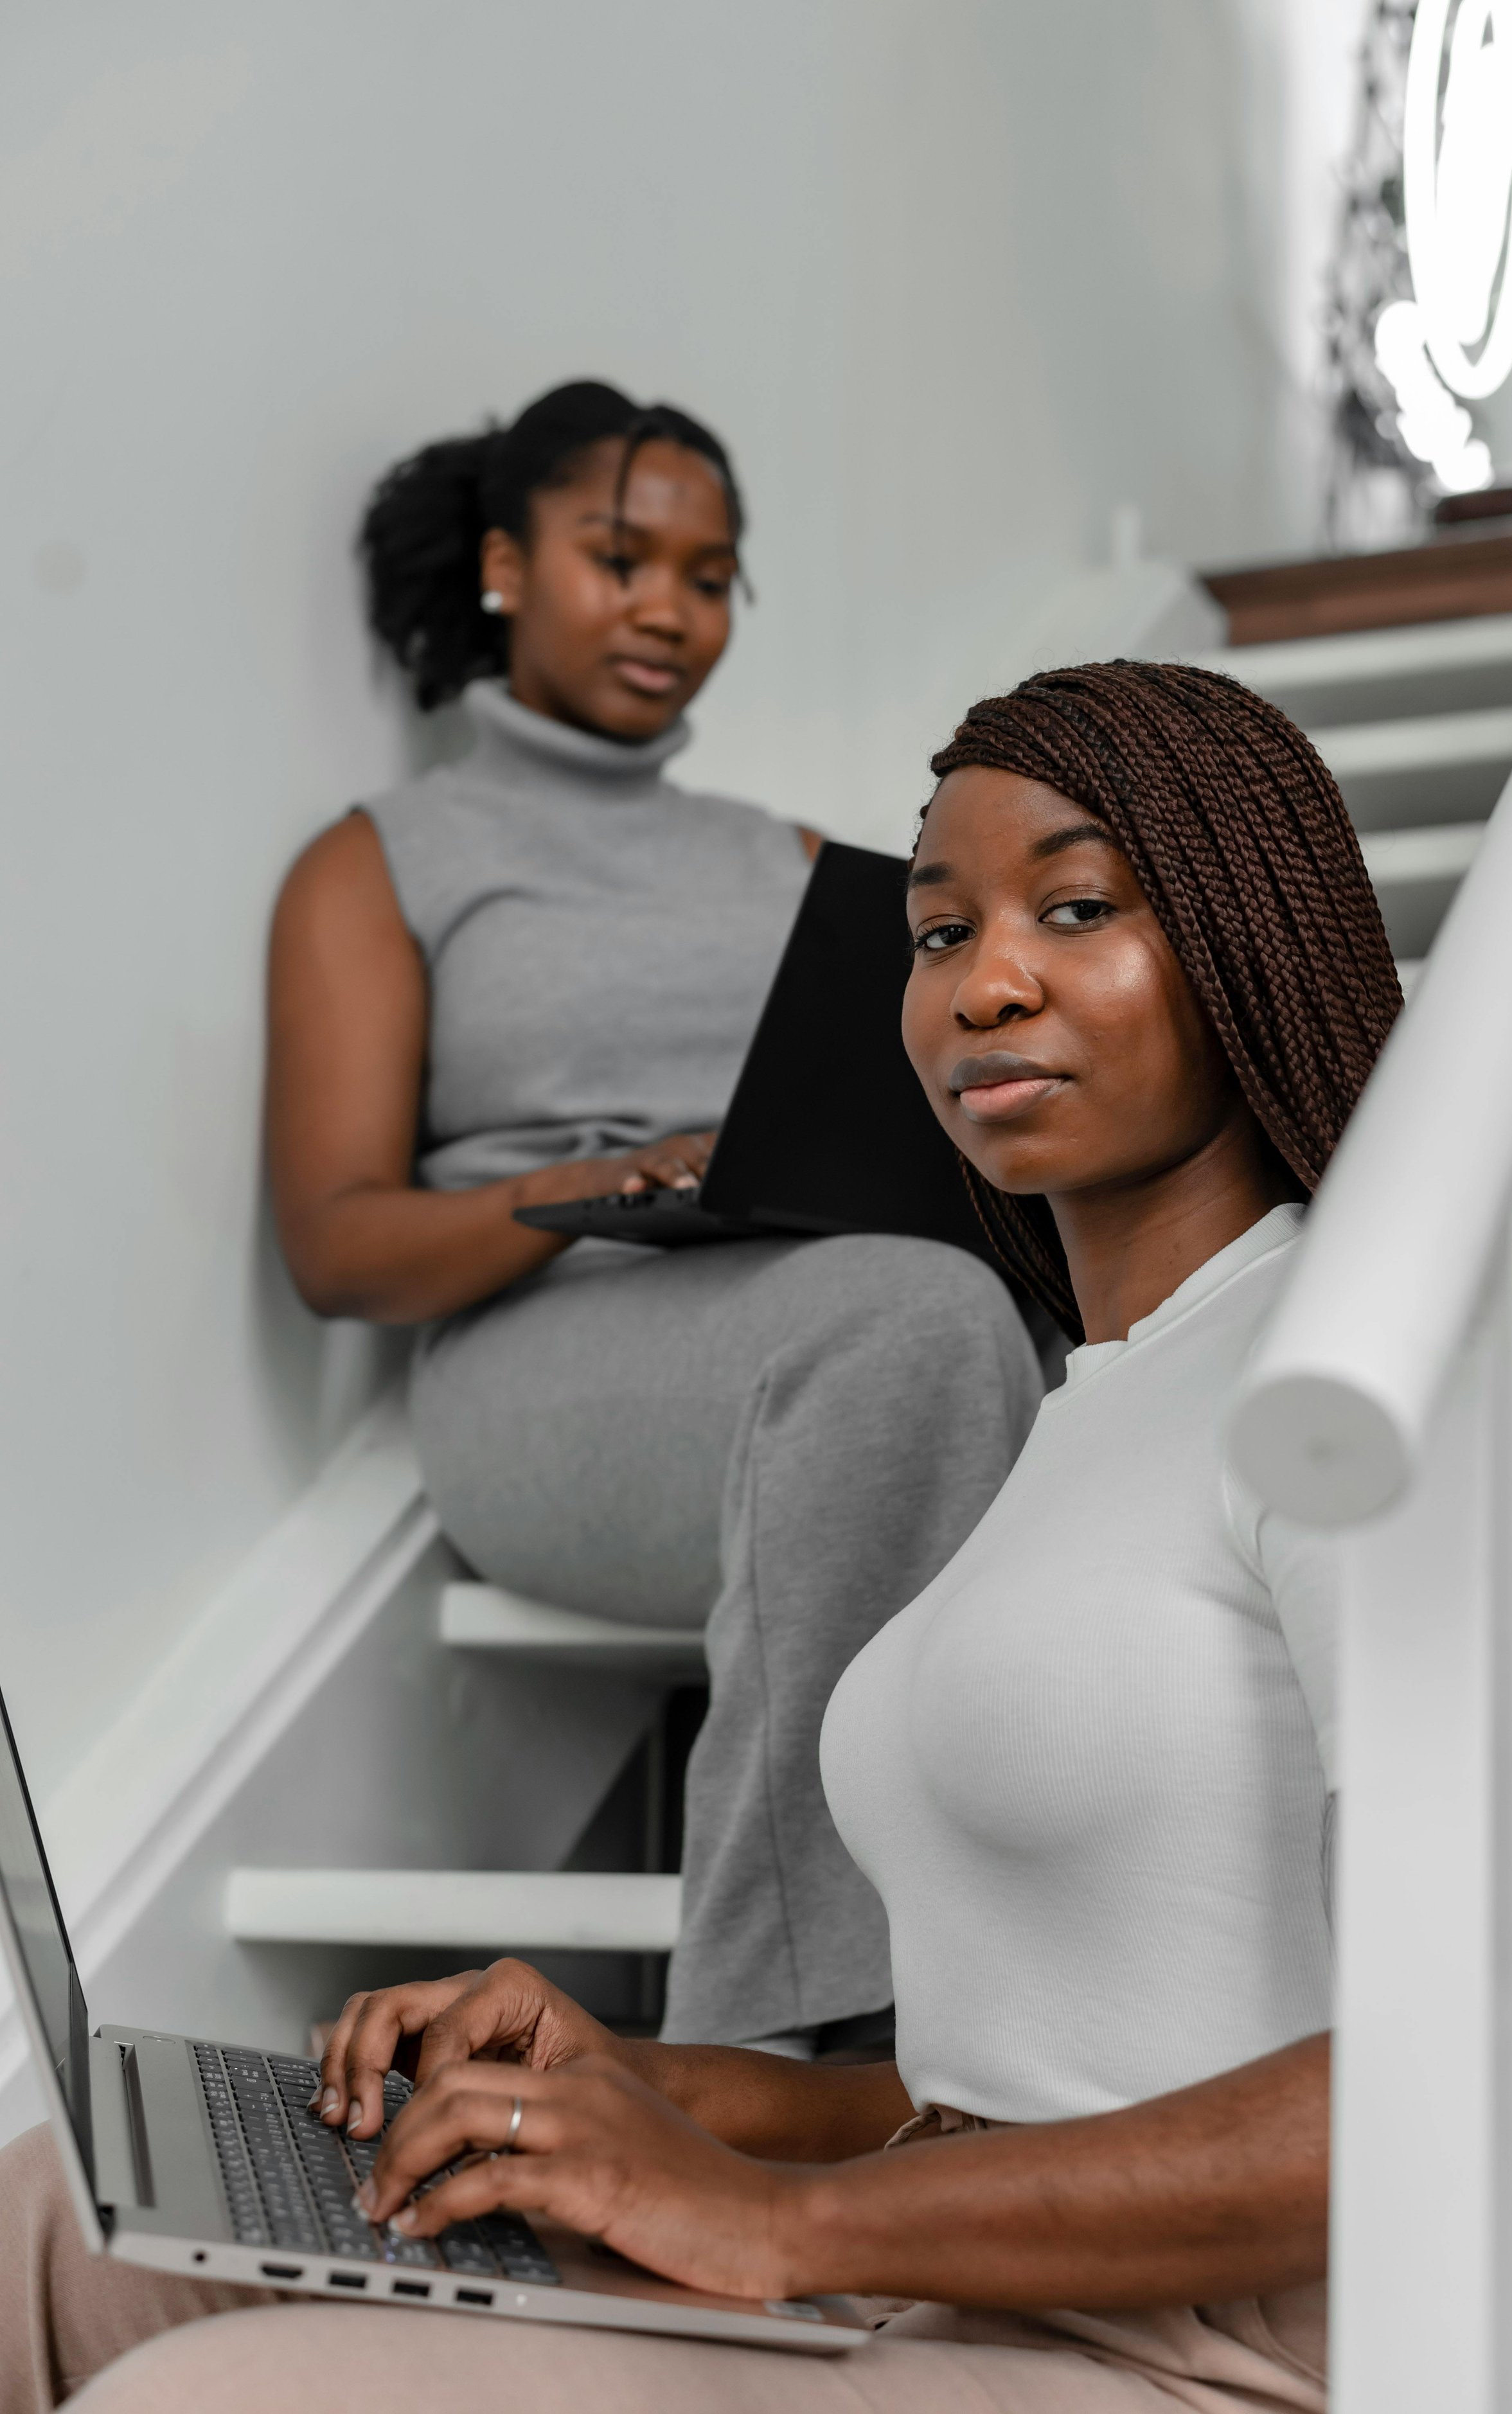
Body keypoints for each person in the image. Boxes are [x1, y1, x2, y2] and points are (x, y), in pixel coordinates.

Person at [0, 660, 1401, 2411]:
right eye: (936, 931)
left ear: (1248, 936)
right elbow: (1002, 2084)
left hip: (1193, 2360)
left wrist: (776, 2224)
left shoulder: (1358, 1392)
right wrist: (649, 2084)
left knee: (191, 2401)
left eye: (1074, 908)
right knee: (61, 2227)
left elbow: (1453, 2075)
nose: (985, 985)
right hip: (937, 2274)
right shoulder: (1082, 1407)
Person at [265, 380, 1044, 2053]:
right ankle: (784, 2045)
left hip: (835, 1293)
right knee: (914, 1332)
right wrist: (606, 1187)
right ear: (502, 565)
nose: (668, 613)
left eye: (708, 578)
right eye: (621, 558)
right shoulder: (385, 859)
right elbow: (338, 1245)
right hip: (547, 1351)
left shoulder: (795, 860)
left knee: (999, 1318)